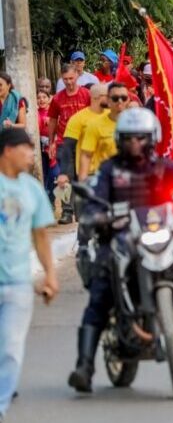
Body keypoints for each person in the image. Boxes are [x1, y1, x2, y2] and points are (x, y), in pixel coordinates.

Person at [68, 108, 173, 393]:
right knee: (101, 290)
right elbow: (95, 199)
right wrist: (94, 215)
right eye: (128, 139)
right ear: (119, 140)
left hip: (157, 232)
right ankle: (85, 366)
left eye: (140, 138)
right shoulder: (110, 169)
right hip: (120, 237)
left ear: (152, 138)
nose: (134, 144)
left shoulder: (165, 166)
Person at [0, 128, 58, 418]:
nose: (32, 155)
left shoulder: (32, 189)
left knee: (10, 347)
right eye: (27, 149)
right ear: (8, 150)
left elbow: (42, 236)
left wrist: (50, 275)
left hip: (17, 282)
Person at [77, 82, 132, 180]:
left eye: (123, 98)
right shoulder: (95, 124)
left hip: (130, 180)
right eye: (115, 98)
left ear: (128, 100)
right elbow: (86, 155)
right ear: (108, 101)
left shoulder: (136, 124)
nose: (120, 101)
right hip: (105, 180)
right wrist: (83, 182)